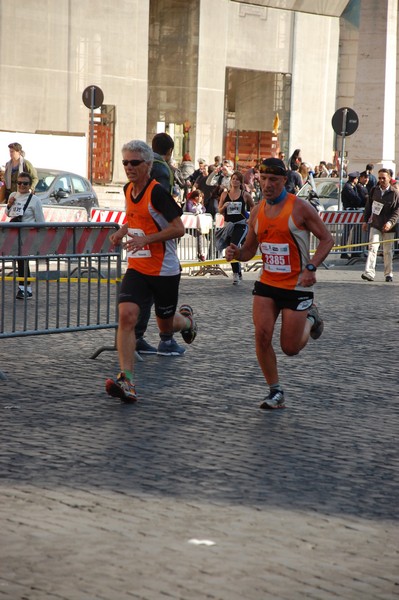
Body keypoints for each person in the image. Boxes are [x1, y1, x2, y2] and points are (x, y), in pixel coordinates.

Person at [225, 158, 334, 409]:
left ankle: (311, 318)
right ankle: (275, 391)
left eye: (273, 180)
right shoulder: (257, 211)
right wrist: (236, 253)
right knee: (261, 336)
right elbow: (248, 251)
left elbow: (327, 239)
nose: (267, 184)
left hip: (296, 286)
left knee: (290, 348)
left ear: (285, 180)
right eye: (263, 179)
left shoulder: (300, 208)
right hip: (267, 284)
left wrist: (311, 267)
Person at [105, 140, 198, 403]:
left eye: (134, 163)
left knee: (166, 324)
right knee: (126, 316)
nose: (129, 167)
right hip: (137, 267)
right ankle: (127, 380)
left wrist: (147, 240)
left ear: (148, 165)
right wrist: (121, 232)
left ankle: (188, 321)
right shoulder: (127, 189)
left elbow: (178, 228)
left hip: (164, 271)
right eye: (125, 162)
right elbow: (133, 218)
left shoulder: (157, 193)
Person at [134, 132, 181, 356]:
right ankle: (161, 339)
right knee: (155, 290)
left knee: (146, 290)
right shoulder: (161, 168)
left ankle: (138, 336)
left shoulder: (143, 164)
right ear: (170, 151)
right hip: (157, 239)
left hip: (144, 235)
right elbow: (158, 202)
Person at [5, 171, 45, 299]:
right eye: (19, 183)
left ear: (30, 185)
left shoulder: (35, 200)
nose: (22, 186)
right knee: (20, 261)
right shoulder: (13, 195)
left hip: (27, 235)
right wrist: (9, 204)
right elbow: (8, 213)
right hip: (14, 234)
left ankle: (25, 288)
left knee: (23, 261)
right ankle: (25, 289)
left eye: (25, 183)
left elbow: (40, 221)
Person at [361, 168, 399, 283]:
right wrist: (365, 221)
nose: (381, 180)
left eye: (384, 178)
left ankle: (388, 273)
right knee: (372, 248)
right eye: (380, 178)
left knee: (387, 251)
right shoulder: (374, 190)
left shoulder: (394, 193)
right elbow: (368, 207)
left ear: (389, 178)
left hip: (389, 227)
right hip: (376, 224)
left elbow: (397, 211)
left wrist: (390, 223)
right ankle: (369, 273)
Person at [217, 171, 254, 284]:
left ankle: (236, 275)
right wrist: (224, 206)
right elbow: (219, 210)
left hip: (241, 224)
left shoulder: (245, 194)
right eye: (233, 179)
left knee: (234, 246)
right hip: (229, 225)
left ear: (241, 182)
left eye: (237, 179)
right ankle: (237, 271)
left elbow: (253, 206)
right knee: (230, 248)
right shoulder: (225, 194)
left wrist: (250, 218)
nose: (235, 181)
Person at [340, 171, 363, 259]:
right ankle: (343, 252)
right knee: (347, 232)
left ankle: (355, 251)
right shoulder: (348, 187)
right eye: (357, 178)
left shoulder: (353, 186)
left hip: (353, 212)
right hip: (349, 212)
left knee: (355, 232)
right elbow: (355, 198)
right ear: (355, 179)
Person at [186, 189, 206, 261]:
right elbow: (189, 209)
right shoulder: (190, 202)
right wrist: (196, 211)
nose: (199, 198)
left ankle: (200, 253)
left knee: (199, 235)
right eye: (197, 196)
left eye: (200, 196)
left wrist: (200, 211)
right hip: (185, 224)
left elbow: (204, 209)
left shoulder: (200, 204)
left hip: (195, 225)